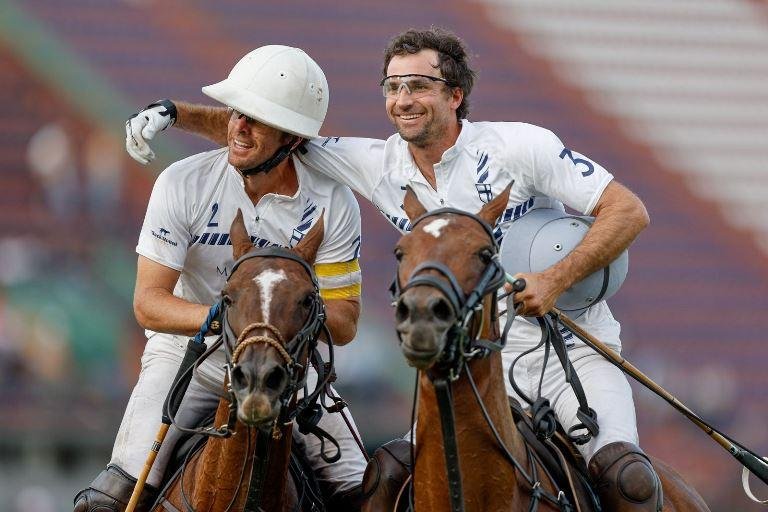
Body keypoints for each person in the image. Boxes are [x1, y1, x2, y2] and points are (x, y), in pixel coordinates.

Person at [125, 28, 660, 510]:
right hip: (466, 368)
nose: (403, 99)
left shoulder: (520, 146)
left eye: (420, 86)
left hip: (569, 355)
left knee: (627, 481)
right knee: (384, 485)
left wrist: (555, 279)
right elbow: (265, 129)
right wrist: (176, 113)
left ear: (455, 95)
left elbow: (627, 210)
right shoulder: (376, 163)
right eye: (393, 86)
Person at [76, 45, 367, 512]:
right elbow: (149, 303)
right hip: (188, 360)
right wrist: (227, 318)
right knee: (109, 499)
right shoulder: (181, 183)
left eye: (257, 120)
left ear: (293, 139)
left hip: (287, 365)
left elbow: (346, 323)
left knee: (364, 490)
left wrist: (276, 323)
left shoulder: (333, 202)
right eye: (236, 114)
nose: (238, 128)